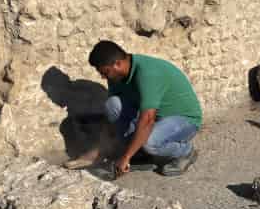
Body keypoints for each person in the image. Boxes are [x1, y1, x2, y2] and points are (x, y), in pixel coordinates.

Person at [67, 42, 203, 177]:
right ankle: (141, 155)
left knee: (150, 143)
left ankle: (186, 152)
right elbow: (111, 120)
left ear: (118, 64)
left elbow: (148, 120)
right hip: (154, 118)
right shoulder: (116, 77)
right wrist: (97, 151)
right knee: (113, 104)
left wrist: (125, 157)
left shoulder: (148, 73)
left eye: (105, 72)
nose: (104, 77)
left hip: (184, 120)